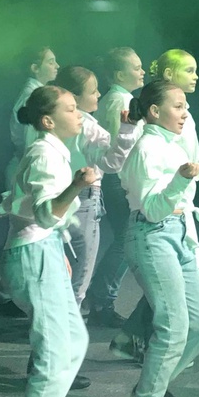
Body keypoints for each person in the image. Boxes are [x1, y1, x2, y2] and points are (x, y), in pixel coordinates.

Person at [108, 49, 199, 363]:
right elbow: (165, 184)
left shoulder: (178, 120)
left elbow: (194, 165)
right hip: (158, 215)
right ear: (169, 75)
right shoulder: (155, 129)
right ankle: (149, 356)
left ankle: (138, 344)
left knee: (178, 298)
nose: (196, 76)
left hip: (174, 216)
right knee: (170, 299)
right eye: (189, 70)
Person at [0, 85, 94, 397]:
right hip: (33, 255)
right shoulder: (44, 154)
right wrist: (77, 186)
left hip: (44, 251)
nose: (79, 114)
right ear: (48, 120)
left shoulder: (54, 151)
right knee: (55, 350)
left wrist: (59, 250)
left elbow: (46, 220)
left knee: (75, 341)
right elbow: (44, 213)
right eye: (70, 109)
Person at [119, 81, 199, 397]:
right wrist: (179, 181)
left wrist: (196, 251)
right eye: (178, 106)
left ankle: (154, 386)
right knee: (173, 325)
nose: (185, 112)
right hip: (151, 236)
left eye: (185, 105)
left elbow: (180, 208)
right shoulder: (146, 149)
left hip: (177, 235)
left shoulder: (173, 144)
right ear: (155, 111)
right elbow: (154, 210)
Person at [0, 47, 59, 317]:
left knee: (21, 234)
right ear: (34, 67)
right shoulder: (34, 97)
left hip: (25, 169)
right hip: (27, 170)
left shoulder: (36, 93)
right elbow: (34, 143)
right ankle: (5, 294)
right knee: (24, 234)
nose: (57, 66)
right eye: (51, 61)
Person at [53, 65, 138, 309]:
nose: (99, 94)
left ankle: (55, 316)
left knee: (58, 262)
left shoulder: (53, 122)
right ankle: (69, 320)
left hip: (59, 195)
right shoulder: (87, 127)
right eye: (93, 91)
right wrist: (127, 131)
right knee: (81, 270)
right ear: (74, 96)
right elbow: (111, 163)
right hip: (84, 197)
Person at [86, 47, 145, 327]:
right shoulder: (120, 100)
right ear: (120, 75)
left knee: (125, 241)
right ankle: (101, 299)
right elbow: (118, 147)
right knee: (125, 242)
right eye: (136, 67)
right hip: (119, 179)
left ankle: (100, 297)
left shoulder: (119, 98)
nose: (142, 71)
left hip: (120, 178)